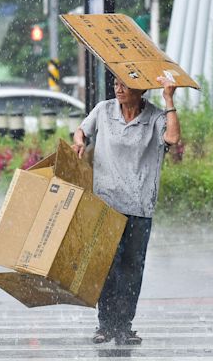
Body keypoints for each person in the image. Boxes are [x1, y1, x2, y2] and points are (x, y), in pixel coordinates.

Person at [72, 75, 179, 345]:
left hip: (140, 204)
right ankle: (106, 325)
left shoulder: (154, 116)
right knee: (108, 266)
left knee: (132, 268)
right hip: (106, 203)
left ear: (141, 89)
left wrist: (168, 99)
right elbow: (82, 130)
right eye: (116, 84)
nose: (118, 89)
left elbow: (173, 138)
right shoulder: (104, 110)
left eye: (125, 85)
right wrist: (80, 141)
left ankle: (124, 325)